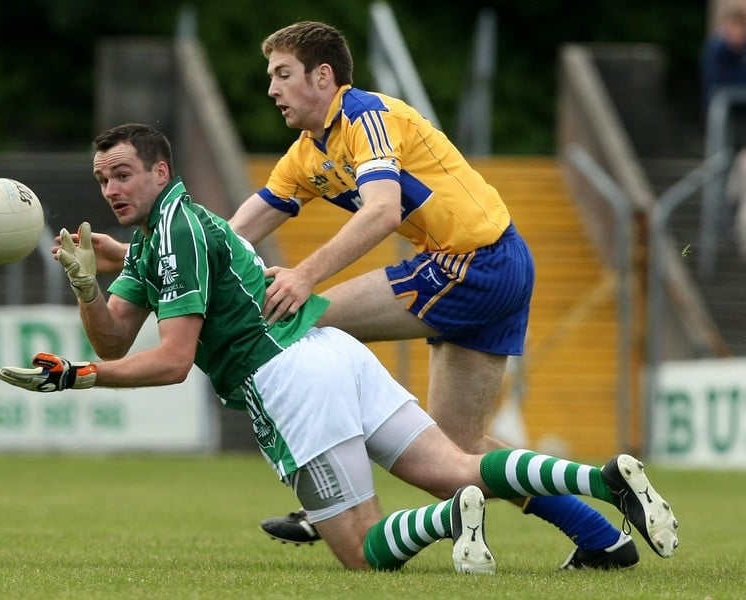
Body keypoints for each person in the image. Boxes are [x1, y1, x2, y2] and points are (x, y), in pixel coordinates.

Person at [0, 123, 679, 574]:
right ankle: (601, 480)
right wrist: (89, 285)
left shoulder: (170, 234)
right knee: (456, 464)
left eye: (122, 173)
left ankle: (449, 521)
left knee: (357, 552)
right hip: (333, 351)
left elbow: (173, 362)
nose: (111, 189)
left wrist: (82, 378)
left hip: (289, 381)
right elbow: (116, 330)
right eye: (102, 180)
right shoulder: (164, 234)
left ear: (160, 170)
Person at [79, 22, 639, 570]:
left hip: (475, 263)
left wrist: (305, 277)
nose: (271, 89)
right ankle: (600, 531)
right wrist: (134, 259)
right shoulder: (304, 154)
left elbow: (381, 210)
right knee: (455, 450)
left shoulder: (363, 115)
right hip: (486, 264)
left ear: (323, 76)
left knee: (299, 324)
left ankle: (324, 480)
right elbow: (223, 241)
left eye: (282, 74)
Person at [701, 1, 746, 257]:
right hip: (727, 126)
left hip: (738, 126)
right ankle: (719, 230)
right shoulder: (718, 52)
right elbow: (718, 85)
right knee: (723, 172)